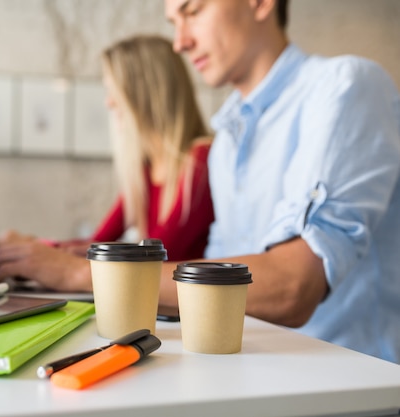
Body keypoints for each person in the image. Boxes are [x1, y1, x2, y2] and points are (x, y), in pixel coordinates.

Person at [160, 0, 400, 363]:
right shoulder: (226, 141)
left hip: (355, 388)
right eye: (173, 21)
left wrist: (88, 275)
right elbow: (221, 279)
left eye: (193, 11)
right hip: (258, 372)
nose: (180, 42)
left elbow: (293, 289)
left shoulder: (344, 86)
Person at [0, 34, 214, 291]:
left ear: (144, 92)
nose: (109, 101)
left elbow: (157, 258)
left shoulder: (200, 160)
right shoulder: (146, 169)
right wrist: (31, 248)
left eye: (113, 90)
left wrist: (35, 249)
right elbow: (98, 244)